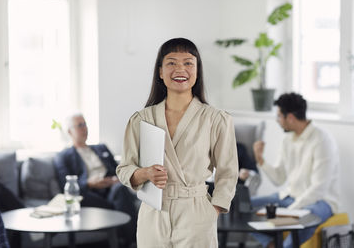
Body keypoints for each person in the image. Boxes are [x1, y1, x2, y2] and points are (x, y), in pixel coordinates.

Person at [116, 37, 239, 248]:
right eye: (171, 62)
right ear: (160, 72)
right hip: (153, 212)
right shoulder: (142, 119)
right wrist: (145, 174)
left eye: (188, 63)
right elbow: (125, 168)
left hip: (196, 213)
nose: (180, 69)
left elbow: (228, 172)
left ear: (197, 71)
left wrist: (214, 210)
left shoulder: (216, 119)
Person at [251, 92, 340, 248]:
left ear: (290, 117)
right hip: (289, 197)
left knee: (306, 217)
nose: (278, 121)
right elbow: (279, 178)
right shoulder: (287, 140)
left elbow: (318, 189)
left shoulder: (322, 140)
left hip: (320, 202)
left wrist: (289, 210)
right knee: (241, 206)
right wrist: (261, 160)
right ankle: (271, 244)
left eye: (279, 116)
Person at [53, 113, 138, 246]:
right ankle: (131, 241)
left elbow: (120, 171)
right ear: (70, 131)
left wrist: (116, 179)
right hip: (90, 194)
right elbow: (66, 185)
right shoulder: (63, 156)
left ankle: (130, 241)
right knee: (117, 197)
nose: (84, 128)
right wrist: (89, 183)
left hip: (112, 188)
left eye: (85, 124)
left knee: (120, 189)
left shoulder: (101, 148)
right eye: (80, 125)